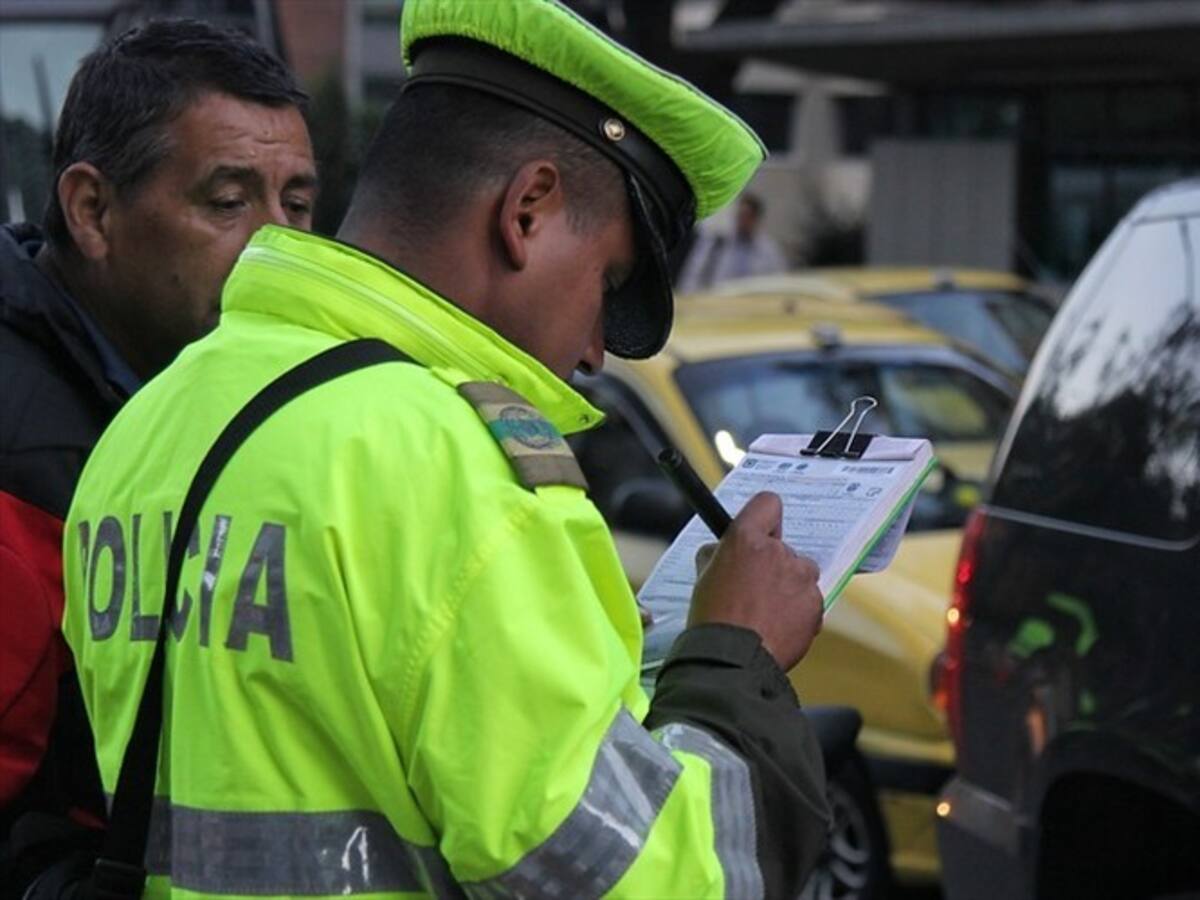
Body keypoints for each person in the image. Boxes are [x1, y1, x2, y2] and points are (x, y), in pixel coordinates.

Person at [62, 2, 829, 897]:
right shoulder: (458, 468)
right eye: (608, 281)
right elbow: (639, 878)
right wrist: (736, 654)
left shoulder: (150, 420)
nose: (594, 350)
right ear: (528, 209)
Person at [0, 17, 315, 895]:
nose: (279, 248)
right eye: (228, 201)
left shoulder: (196, 389)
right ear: (92, 211)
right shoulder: (27, 456)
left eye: (297, 205)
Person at [677, 191, 788, 292]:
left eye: (747, 216)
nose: (742, 221)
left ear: (756, 219)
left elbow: (778, 283)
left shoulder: (769, 252)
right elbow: (692, 277)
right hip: (717, 301)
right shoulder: (717, 244)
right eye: (740, 215)